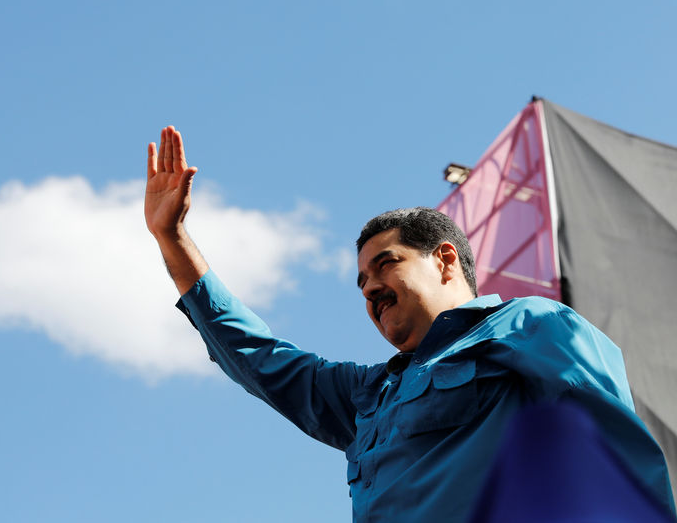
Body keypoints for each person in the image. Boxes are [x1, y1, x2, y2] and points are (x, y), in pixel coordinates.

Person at [144, 126, 676, 522]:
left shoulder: (530, 324)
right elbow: (261, 358)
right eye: (360, 283)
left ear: (445, 260)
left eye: (386, 264)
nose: (370, 288)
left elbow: (613, 453)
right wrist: (173, 239)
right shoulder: (365, 394)